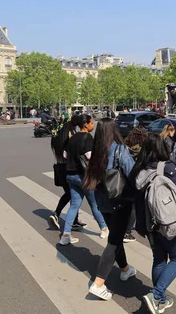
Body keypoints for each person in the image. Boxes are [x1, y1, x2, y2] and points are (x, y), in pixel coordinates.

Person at [132, 134, 176, 314]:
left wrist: (140, 225)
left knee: (159, 259)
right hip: (167, 221)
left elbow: (137, 201)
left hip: (149, 223)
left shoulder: (139, 169)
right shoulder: (168, 168)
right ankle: (155, 295)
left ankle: (160, 299)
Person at [84, 119, 137, 300]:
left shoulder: (96, 151)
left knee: (116, 236)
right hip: (119, 200)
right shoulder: (119, 149)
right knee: (114, 241)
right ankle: (98, 283)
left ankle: (125, 269)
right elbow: (132, 173)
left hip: (102, 201)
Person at [60, 114, 108, 245]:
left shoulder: (73, 137)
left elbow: (64, 155)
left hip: (70, 175)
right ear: (86, 124)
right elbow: (90, 157)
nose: (93, 125)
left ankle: (66, 234)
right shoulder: (87, 138)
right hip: (84, 177)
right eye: (92, 123)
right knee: (94, 204)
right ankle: (104, 228)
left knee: (74, 205)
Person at [48, 116, 85, 231]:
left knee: (72, 194)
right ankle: (57, 214)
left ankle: (73, 220)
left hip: (59, 167)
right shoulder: (70, 136)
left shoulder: (57, 134)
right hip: (68, 168)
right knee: (73, 194)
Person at [123, 127, 148, 242]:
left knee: (128, 205)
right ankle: (127, 232)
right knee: (134, 205)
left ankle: (125, 227)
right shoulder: (142, 149)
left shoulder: (125, 146)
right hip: (137, 177)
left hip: (125, 178)